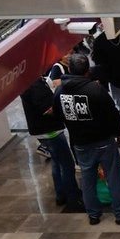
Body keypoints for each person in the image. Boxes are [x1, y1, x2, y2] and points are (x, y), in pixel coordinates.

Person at [54, 53, 120, 226]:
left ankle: (93, 214)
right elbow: (112, 114)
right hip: (103, 141)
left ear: (70, 69)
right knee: (113, 176)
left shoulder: (60, 91)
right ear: (87, 71)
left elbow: (58, 114)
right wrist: (119, 132)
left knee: (87, 178)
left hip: (80, 143)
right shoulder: (95, 89)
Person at [19, 70, 82, 211]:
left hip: (43, 131)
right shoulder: (35, 85)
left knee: (57, 163)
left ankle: (61, 194)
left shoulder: (28, 82)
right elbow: (48, 109)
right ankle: (73, 198)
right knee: (66, 164)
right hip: (50, 131)